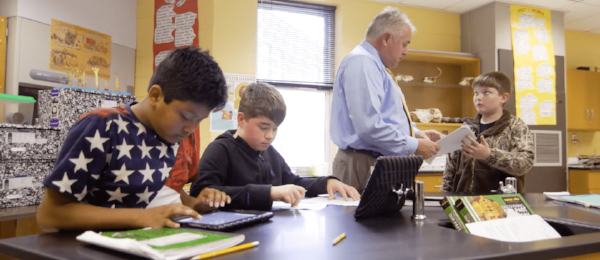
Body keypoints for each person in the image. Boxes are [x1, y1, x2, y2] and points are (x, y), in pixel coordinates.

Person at [37, 46, 229, 231]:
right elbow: (50, 215)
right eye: (186, 117)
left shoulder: (171, 132)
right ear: (155, 96)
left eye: (199, 121)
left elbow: (146, 188)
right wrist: (143, 217)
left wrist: (195, 205)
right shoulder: (103, 126)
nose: (190, 129)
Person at [190, 83, 360, 210]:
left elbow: (293, 182)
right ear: (241, 119)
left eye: (275, 128)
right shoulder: (220, 150)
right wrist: (269, 192)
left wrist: (326, 182)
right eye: (263, 127)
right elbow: (201, 193)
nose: (270, 135)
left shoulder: (268, 152)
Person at [330, 6, 443, 192]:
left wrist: (415, 133)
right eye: (404, 44)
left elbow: (385, 116)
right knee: (359, 221)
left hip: (375, 161)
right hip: (362, 163)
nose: (406, 51)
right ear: (387, 38)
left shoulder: (375, 66)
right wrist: (414, 145)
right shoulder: (363, 63)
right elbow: (369, 126)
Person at [441, 71, 534, 193]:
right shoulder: (467, 127)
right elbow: (450, 169)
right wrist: (445, 197)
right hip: (464, 204)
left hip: (501, 204)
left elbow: (525, 163)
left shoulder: (515, 126)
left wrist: (489, 155)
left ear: (503, 97)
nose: (478, 98)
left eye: (486, 92)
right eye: (476, 93)